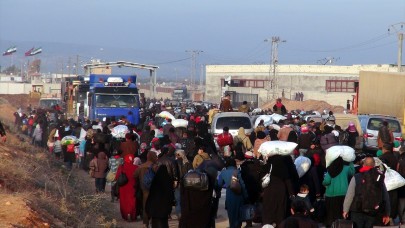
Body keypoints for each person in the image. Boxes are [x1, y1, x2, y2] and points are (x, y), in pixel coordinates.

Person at [343, 157, 391, 228]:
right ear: (374, 165)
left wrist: (345, 210)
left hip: (357, 210)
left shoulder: (356, 177)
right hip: (373, 210)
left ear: (363, 165)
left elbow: (350, 195)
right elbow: (385, 196)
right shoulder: (378, 178)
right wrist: (387, 213)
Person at [261, 154, 298, 226]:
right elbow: (288, 181)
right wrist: (291, 194)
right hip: (281, 192)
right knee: (280, 211)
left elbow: (261, 179)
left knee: (268, 210)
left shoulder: (267, 167)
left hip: (269, 191)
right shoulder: (283, 168)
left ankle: (268, 225)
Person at [322, 157, 355, 227]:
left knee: (331, 214)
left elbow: (326, 181)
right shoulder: (346, 168)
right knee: (341, 213)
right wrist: (351, 161)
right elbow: (353, 172)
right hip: (343, 195)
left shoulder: (330, 169)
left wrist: (324, 183)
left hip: (330, 195)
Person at [217, 158, 248, 228]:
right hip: (238, 196)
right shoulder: (237, 172)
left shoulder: (223, 173)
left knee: (231, 216)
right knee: (238, 216)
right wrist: (246, 196)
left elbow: (219, 184)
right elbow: (242, 185)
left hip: (229, 196)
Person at [134, 151, 158, 228]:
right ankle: (153, 221)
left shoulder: (141, 166)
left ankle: (146, 222)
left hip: (144, 189)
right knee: (154, 205)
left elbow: (134, 175)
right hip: (154, 189)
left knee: (145, 206)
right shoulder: (155, 166)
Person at [115, 154, 138, 222]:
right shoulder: (136, 167)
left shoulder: (121, 167)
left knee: (124, 201)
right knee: (132, 201)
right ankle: (131, 214)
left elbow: (117, 177)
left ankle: (125, 214)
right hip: (132, 187)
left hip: (123, 188)